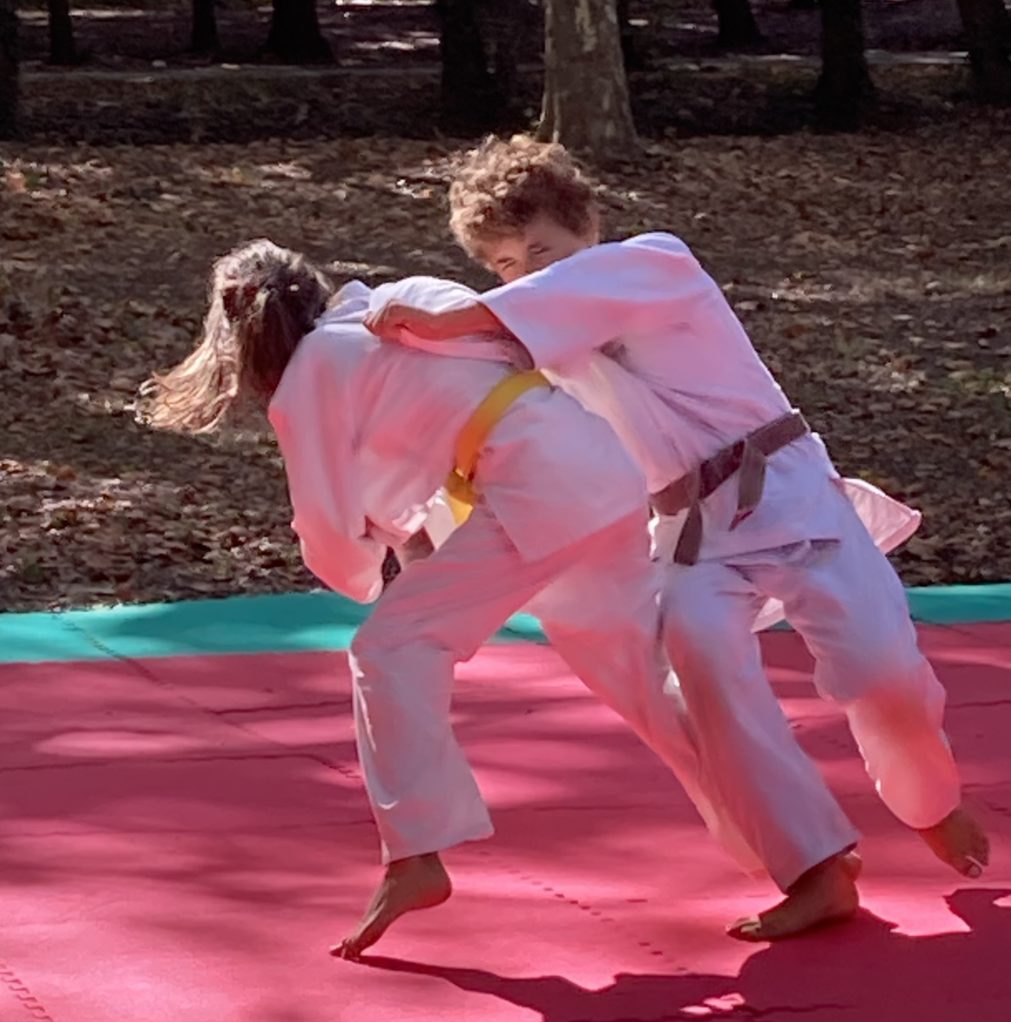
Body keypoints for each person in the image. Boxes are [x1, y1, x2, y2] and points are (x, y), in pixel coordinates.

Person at [364, 134, 989, 942]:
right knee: (697, 662)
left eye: (542, 250)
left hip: (790, 494)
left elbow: (494, 318)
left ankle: (930, 802)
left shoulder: (656, 263)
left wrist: (441, 319)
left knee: (878, 672)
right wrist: (420, 525)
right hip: (691, 532)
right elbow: (499, 438)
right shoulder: (538, 348)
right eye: (507, 264)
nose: (528, 274)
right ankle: (816, 868)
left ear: (586, 226)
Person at [141, 238, 779, 960]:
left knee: (389, 647)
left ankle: (414, 854)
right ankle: (799, 852)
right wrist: (404, 550)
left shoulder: (312, 376)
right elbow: (455, 415)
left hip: (535, 488)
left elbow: (324, 520)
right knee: (647, 683)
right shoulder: (404, 303)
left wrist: (366, 572)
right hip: (598, 469)